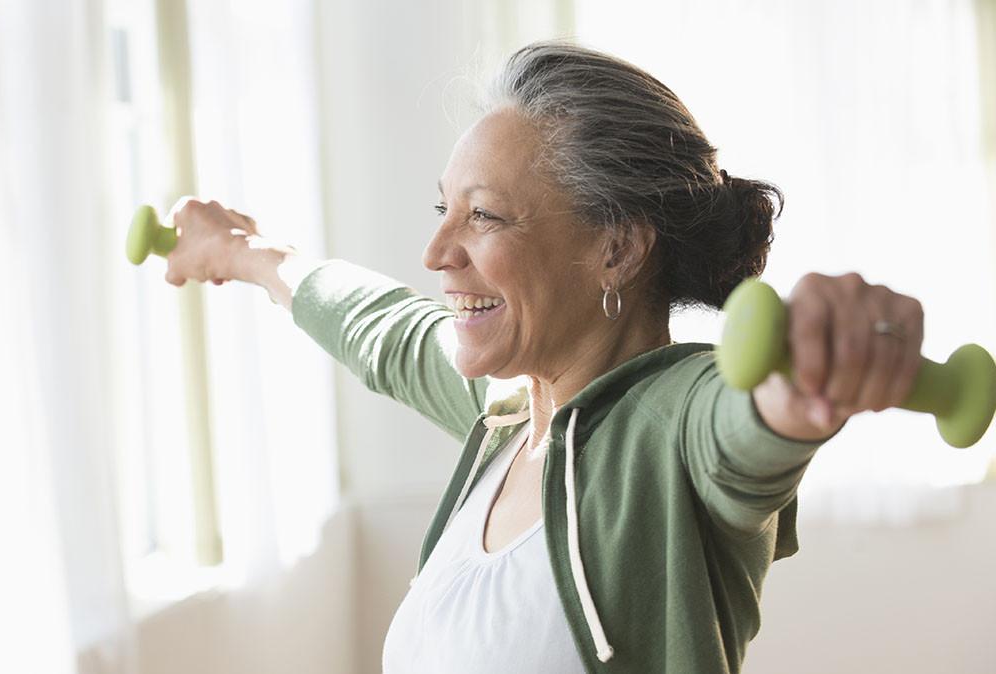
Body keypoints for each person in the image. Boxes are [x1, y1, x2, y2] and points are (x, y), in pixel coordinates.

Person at [159, 40, 924, 674]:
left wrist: (804, 384)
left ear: (615, 247)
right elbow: (381, 330)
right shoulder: (508, 416)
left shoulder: (668, 427)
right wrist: (247, 254)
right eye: (443, 209)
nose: (433, 252)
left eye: (483, 215)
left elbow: (742, 425)